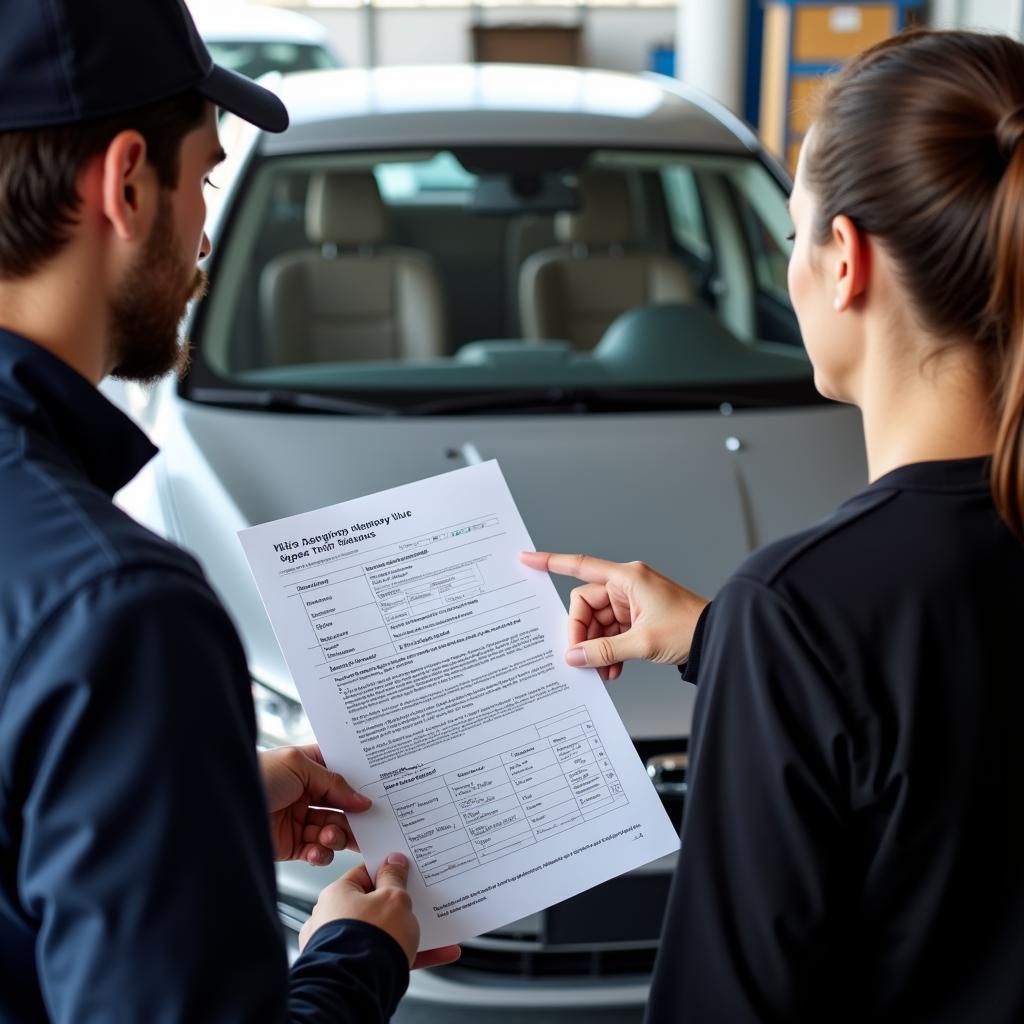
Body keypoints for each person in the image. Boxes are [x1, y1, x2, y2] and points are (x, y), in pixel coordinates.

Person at [521, 28, 1024, 1023]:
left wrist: (769, 645)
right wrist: (728, 640)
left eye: (791, 232)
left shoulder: (801, 615)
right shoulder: (797, 623)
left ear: (843, 261)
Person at [0, 1, 456, 1020]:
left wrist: (186, 804)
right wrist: (351, 954)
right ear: (126, 183)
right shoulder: (118, 608)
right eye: (204, 177)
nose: (204, 224)